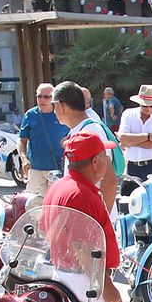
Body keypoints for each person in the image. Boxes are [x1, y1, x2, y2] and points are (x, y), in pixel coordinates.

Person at [42, 131, 125, 302]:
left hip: (67, 276)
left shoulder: (60, 187)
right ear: (96, 162)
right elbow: (84, 248)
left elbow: (47, 230)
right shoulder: (80, 194)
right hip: (84, 281)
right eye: (104, 156)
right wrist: (107, 287)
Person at [52, 81, 124, 210]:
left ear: (61, 105)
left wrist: (101, 218)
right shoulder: (79, 129)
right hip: (86, 215)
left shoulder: (91, 131)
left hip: (93, 217)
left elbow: (110, 181)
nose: (54, 111)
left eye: (54, 105)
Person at [17, 82, 67, 192]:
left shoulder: (62, 113)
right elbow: (22, 140)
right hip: (36, 170)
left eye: (46, 97)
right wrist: (24, 159)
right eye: (39, 96)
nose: (42, 100)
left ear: (54, 98)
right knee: (34, 201)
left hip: (58, 169)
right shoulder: (30, 115)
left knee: (57, 202)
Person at [119, 85, 152, 181]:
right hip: (132, 166)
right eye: (145, 106)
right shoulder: (128, 114)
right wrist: (149, 136)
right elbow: (122, 138)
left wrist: (131, 142)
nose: (148, 109)